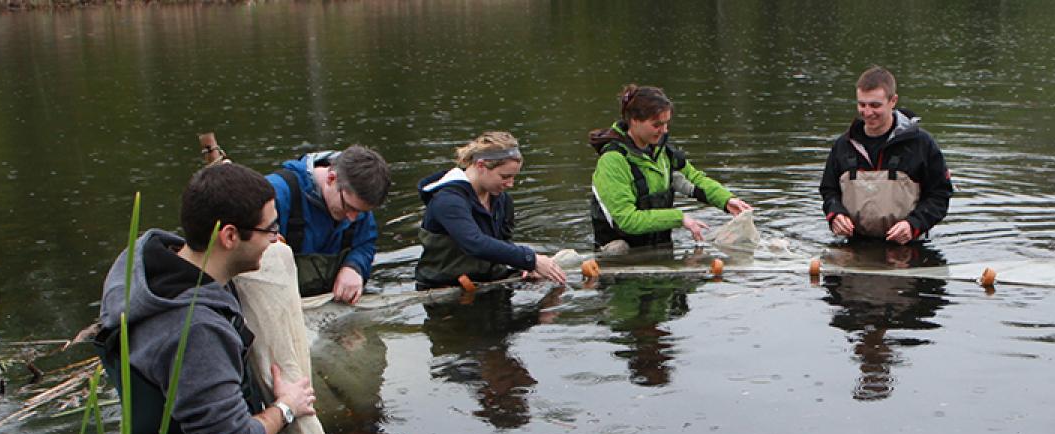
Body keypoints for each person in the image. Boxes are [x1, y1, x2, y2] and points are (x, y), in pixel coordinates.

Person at [95, 162, 317, 434]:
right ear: (229, 236)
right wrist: (286, 407)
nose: (275, 240)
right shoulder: (195, 331)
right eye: (270, 229)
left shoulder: (146, 266)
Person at [587, 84, 751, 251]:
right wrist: (679, 218)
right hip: (620, 257)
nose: (664, 131)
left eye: (666, 124)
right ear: (634, 121)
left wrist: (726, 200)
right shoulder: (612, 161)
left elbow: (694, 179)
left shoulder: (664, 153)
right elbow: (627, 220)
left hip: (661, 248)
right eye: (657, 125)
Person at [818, 65, 955, 244]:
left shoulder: (922, 144)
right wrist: (835, 214)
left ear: (893, 101)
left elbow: (940, 195)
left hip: (909, 245)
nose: (867, 113)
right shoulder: (843, 145)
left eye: (875, 105)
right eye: (862, 105)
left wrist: (914, 224)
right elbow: (829, 190)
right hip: (853, 243)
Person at [415, 131, 568, 288]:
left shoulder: (502, 200)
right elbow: (475, 243)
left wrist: (523, 267)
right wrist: (531, 260)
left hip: (492, 281)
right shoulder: (448, 201)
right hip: (445, 288)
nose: (511, 184)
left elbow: (504, 243)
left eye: (513, 177)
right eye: (505, 177)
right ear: (481, 165)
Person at [265, 145, 391, 303]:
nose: (353, 218)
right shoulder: (275, 194)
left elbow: (365, 244)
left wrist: (354, 266)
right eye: (349, 207)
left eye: (361, 212)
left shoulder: (357, 204)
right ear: (331, 179)